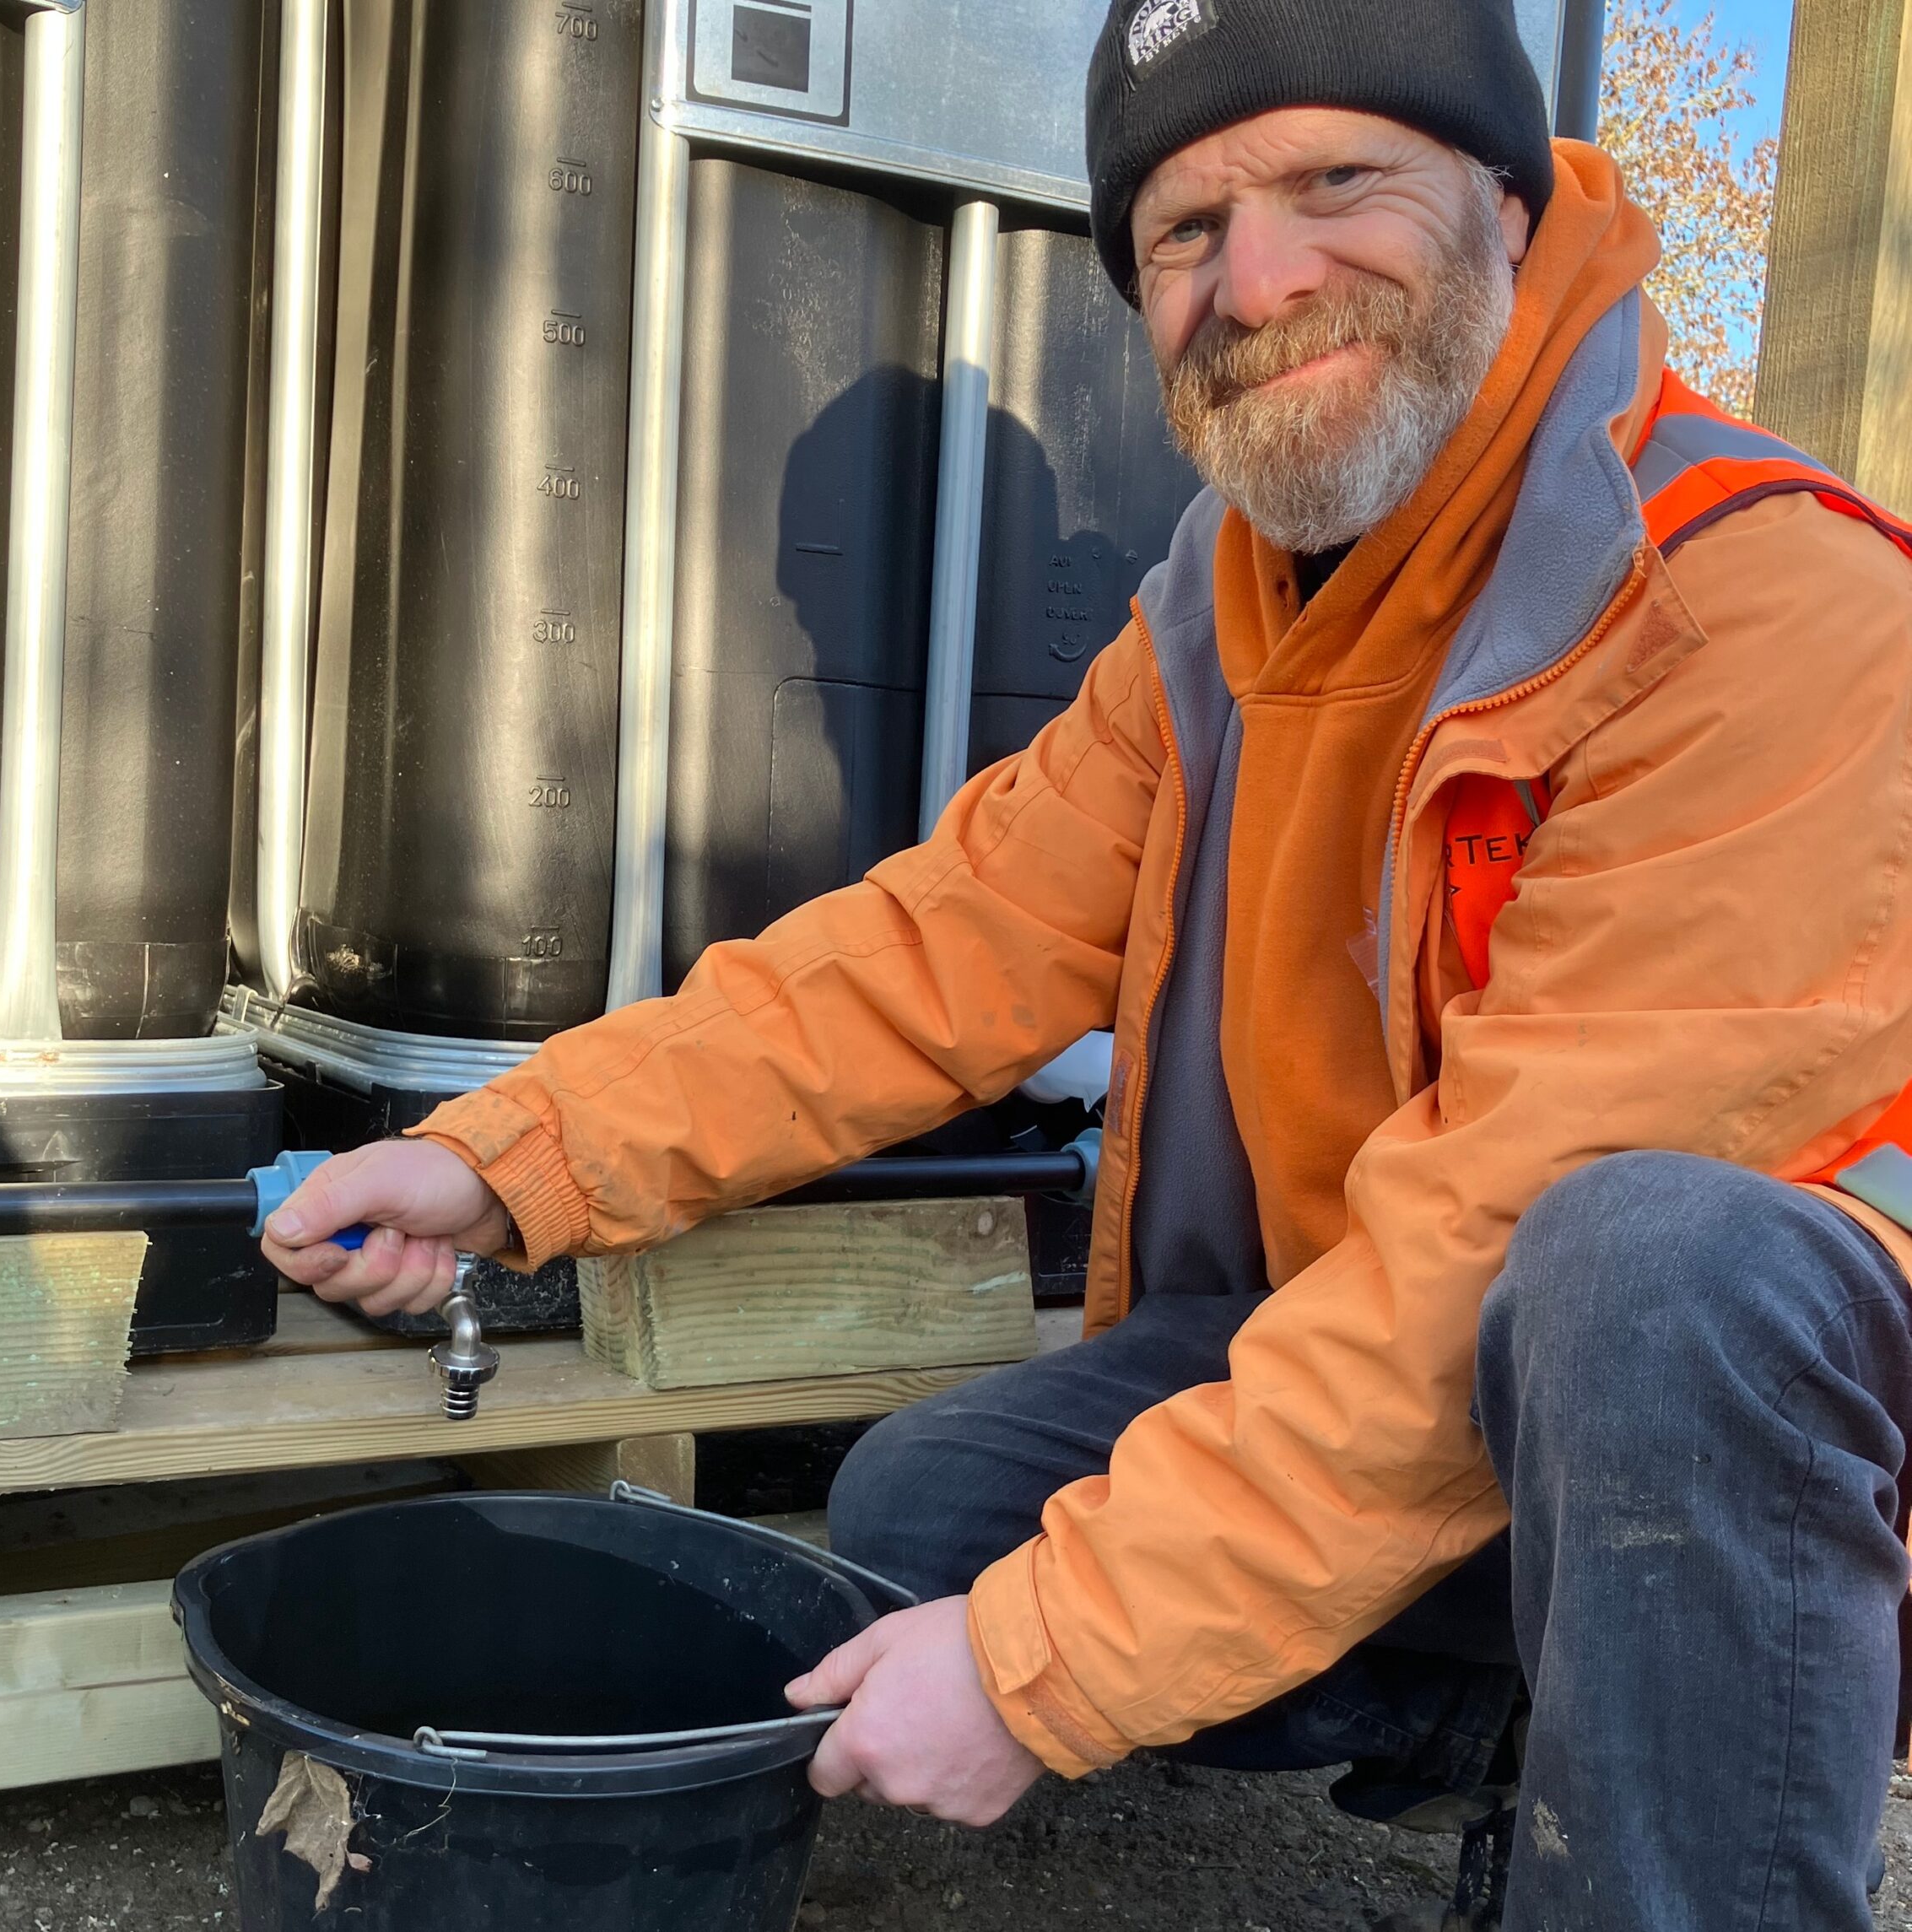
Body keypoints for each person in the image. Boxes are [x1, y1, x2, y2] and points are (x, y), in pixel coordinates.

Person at [262, 0, 1912, 1923]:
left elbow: (1506, 1225)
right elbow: (932, 944)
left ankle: (1681, 1827)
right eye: (1184, 232)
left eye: (1331, 182)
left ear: (1502, 197)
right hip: (1433, 1360)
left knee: (1645, 1264)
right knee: (930, 1516)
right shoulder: (1216, 625)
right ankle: (1534, 1732)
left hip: (1731, 1429)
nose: (1259, 279)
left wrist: (1046, 1665)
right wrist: (508, 1155)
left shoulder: (1756, 602)